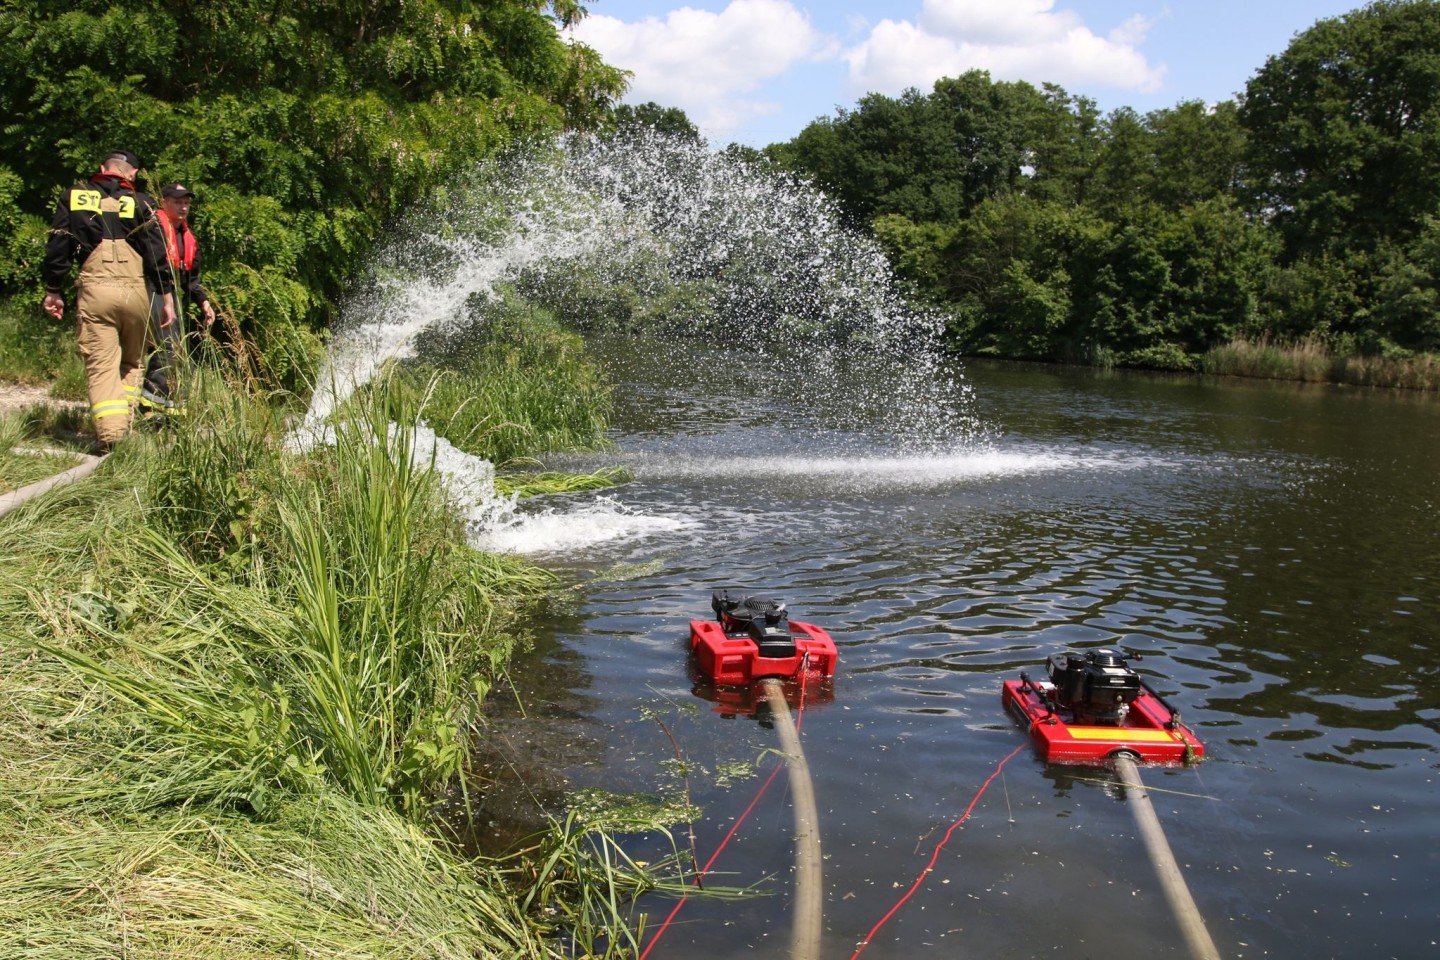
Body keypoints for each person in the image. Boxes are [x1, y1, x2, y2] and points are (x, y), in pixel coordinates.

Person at [43, 149, 176, 447]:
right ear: (132, 174)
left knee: (102, 364)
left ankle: (112, 438)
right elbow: (158, 254)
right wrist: (166, 299)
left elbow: (58, 247)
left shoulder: (74, 196)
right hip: (136, 294)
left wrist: (54, 289)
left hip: (96, 291)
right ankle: (121, 430)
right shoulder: (143, 202)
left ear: (102, 168)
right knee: (132, 362)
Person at [142, 181, 216, 409]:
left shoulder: (187, 238)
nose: (183, 207)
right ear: (164, 203)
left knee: (174, 351)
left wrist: (204, 303)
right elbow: (155, 267)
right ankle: (149, 408)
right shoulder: (153, 228)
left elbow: (191, 280)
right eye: (177, 202)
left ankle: (164, 406)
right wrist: (166, 301)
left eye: (186, 203)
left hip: (171, 297)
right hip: (152, 291)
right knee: (168, 349)